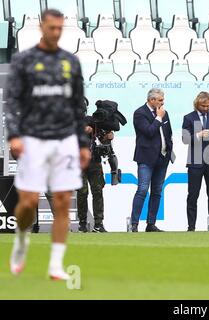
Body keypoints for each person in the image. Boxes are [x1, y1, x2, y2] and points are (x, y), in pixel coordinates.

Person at [4, 9, 91, 280]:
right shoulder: (23, 61)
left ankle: (55, 265)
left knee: (63, 200)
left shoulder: (71, 62)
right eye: (52, 28)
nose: (56, 33)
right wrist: (14, 136)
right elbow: (12, 102)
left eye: (60, 29)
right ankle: (21, 240)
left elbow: (78, 105)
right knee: (28, 202)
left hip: (64, 140)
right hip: (34, 139)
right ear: (42, 27)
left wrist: (82, 143)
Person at [130, 89, 174, 232]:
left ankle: (151, 223)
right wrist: (158, 118)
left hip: (162, 158)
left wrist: (168, 151)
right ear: (152, 100)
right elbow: (149, 132)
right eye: (160, 100)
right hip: (146, 158)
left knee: (157, 191)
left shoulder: (163, 112)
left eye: (163, 99)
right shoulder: (140, 113)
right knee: (142, 189)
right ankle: (134, 224)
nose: (163, 102)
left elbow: (168, 133)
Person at [182, 92, 209, 232]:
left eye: (208, 106)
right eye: (203, 106)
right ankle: (191, 226)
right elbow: (185, 139)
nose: (206, 108)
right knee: (193, 195)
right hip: (195, 162)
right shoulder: (188, 118)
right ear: (197, 104)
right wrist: (199, 135)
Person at [76, 125, 114, 233]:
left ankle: (98, 224)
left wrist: (107, 137)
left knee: (98, 192)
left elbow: (102, 139)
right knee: (82, 192)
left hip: (95, 161)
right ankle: (82, 224)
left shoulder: (96, 121)